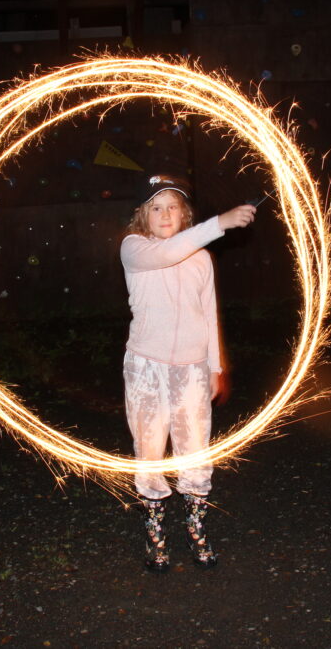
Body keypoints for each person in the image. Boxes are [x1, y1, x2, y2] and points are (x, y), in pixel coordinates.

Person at [120, 173, 257, 573]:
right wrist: (220, 223)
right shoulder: (134, 248)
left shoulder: (200, 258)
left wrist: (215, 366)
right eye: (156, 207)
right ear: (143, 214)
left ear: (184, 213)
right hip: (146, 367)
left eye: (173, 207)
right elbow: (168, 253)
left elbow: (207, 314)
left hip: (192, 370)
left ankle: (196, 529)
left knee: (195, 451)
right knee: (149, 451)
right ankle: (155, 534)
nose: (165, 214)